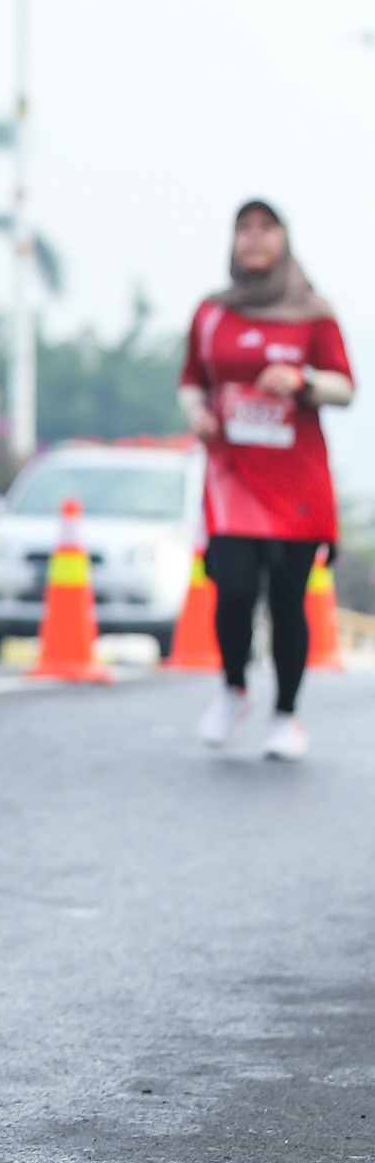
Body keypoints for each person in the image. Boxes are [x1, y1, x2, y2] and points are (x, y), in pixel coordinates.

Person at [178, 200, 353, 761]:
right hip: (232, 477)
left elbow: (346, 387)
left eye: (265, 228)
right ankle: (234, 688)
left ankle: (286, 715)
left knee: (286, 599)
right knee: (231, 589)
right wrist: (196, 411)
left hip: (295, 483)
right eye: (244, 228)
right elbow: (190, 380)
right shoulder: (211, 313)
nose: (254, 238)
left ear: (284, 238)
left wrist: (302, 379)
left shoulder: (313, 313)